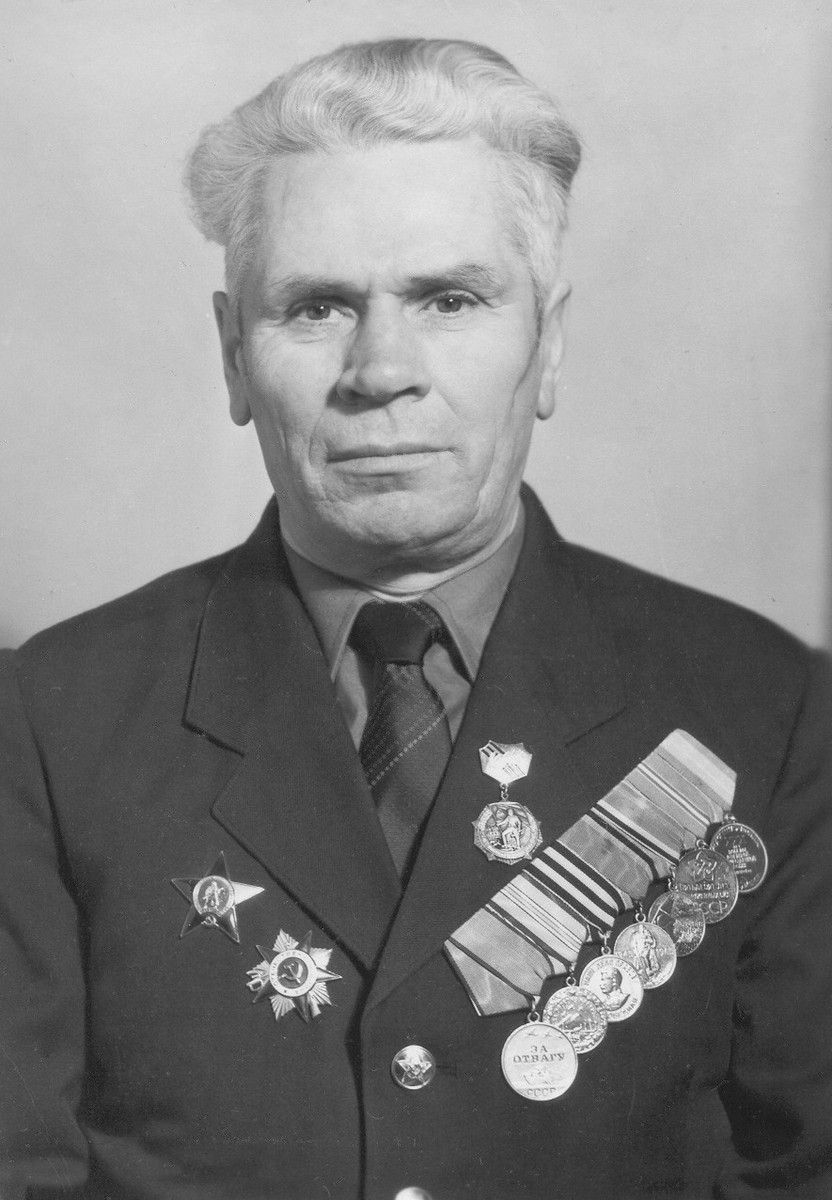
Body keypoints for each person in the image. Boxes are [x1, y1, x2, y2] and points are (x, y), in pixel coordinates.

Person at [1, 36, 830, 1200]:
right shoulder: (48, 720)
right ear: (233, 357)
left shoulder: (771, 712)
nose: (380, 368)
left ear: (548, 345)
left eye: (449, 299)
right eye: (316, 307)